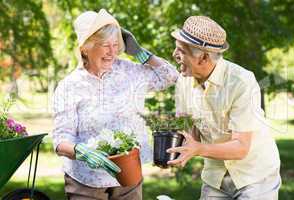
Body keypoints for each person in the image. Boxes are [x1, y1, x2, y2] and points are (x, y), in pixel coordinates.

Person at [52, 9, 178, 200]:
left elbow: (170, 77)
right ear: (85, 48)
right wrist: (81, 151)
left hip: (129, 177)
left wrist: (140, 53)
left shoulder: (130, 72)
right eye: (105, 45)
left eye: (116, 45)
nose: (112, 52)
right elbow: (61, 138)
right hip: (85, 181)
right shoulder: (69, 86)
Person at [167, 16, 281, 200]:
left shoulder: (241, 82)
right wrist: (173, 146)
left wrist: (197, 149)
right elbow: (191, 133)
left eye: (181, 51)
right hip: (215, 178)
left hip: (255, 178)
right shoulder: (183, 81)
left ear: (203, 57)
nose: (174, 55)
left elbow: (240, 148)